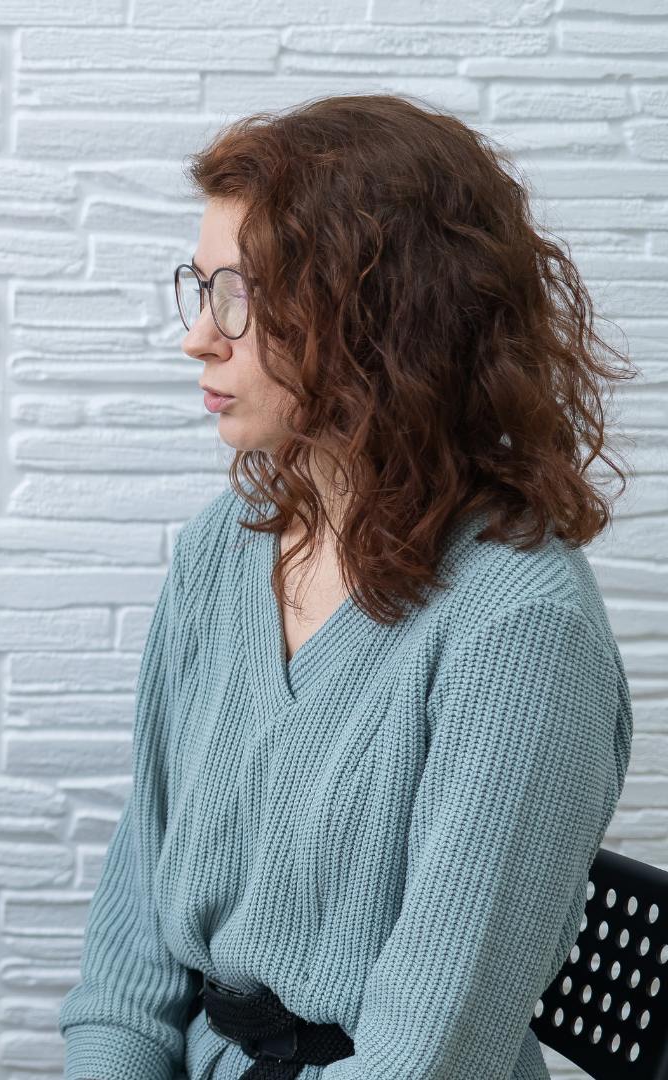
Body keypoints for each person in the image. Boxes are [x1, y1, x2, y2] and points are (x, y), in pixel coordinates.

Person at [59, 95, 634, 1080]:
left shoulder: (522, 630)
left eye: (238, 296)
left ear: (379, 317)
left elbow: (429, 1056)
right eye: (198, 288)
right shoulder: (221, 553)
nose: (199, 337)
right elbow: (133, 958)